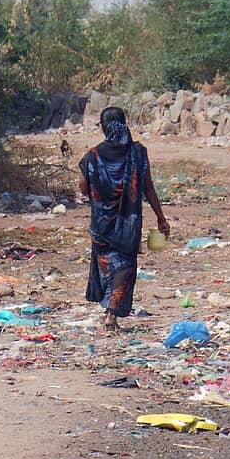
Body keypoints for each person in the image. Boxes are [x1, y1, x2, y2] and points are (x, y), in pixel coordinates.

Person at [79, 107, 170, 331]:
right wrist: (161, 218)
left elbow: (83, 188)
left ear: (102, 127)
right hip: (128, 224)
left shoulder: (92, 156)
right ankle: (112, 313)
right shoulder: (138, 152)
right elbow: (148, 187)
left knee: (107, 265)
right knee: (125, 266)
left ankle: (109, 310)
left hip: (101, 224)